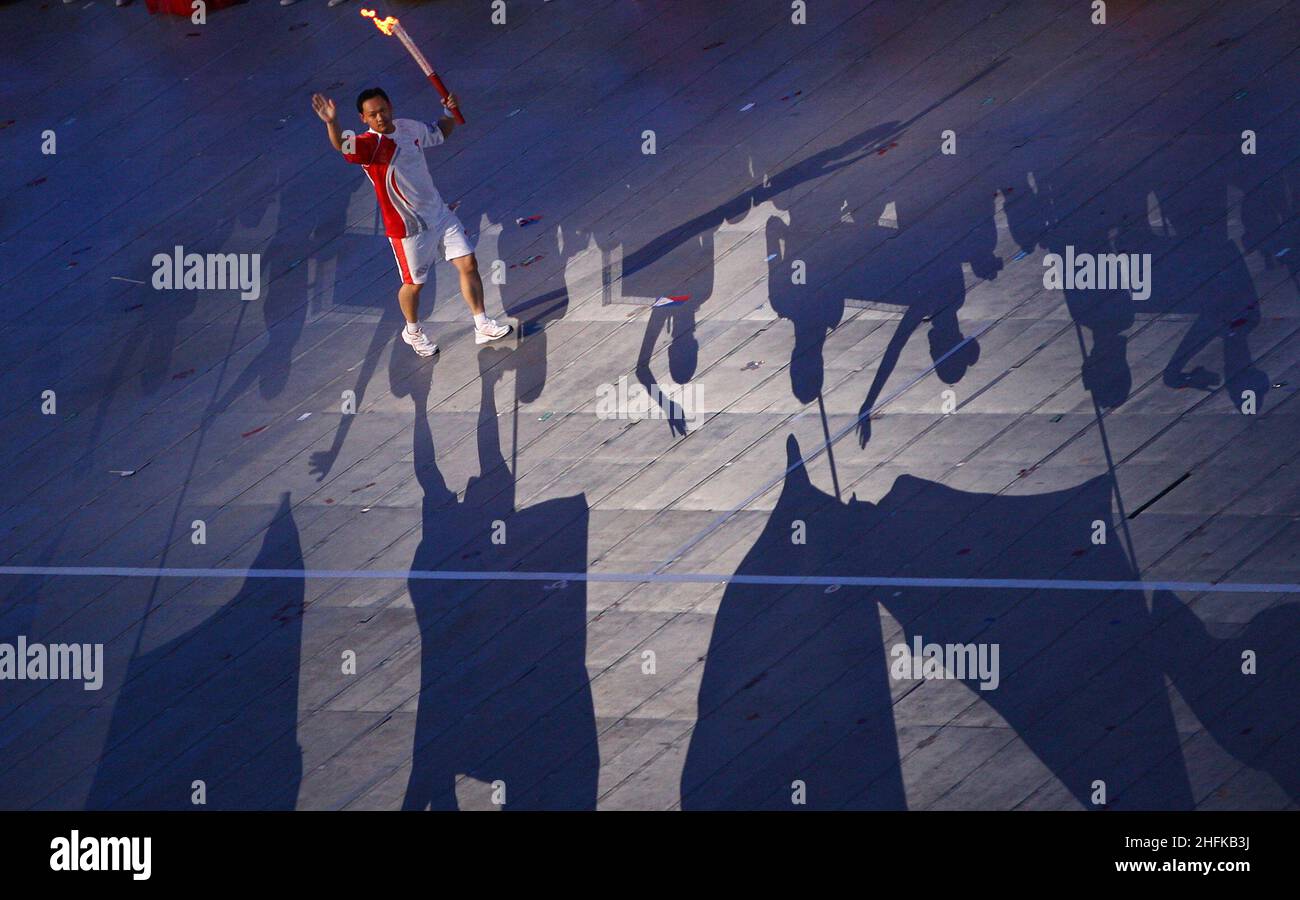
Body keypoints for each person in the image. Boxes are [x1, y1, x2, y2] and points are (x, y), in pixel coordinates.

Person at [311, 87, 510, 356]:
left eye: (383, 110)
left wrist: (448, 111)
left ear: (390, 106)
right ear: (363, 119)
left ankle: (481, 323)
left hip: (439, 213)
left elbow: (439, 132)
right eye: (373, 114)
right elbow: (341, 146)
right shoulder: (368, 146)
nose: (380, 117)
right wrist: (332, 122)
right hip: (408, 229)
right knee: (414, 285)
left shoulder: (408, 128)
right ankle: (412, 331)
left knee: (468, 263)